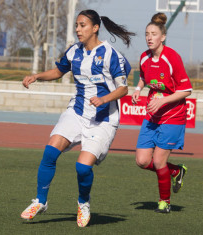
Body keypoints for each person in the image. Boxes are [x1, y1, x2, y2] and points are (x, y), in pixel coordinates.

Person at [20, 9, 135, 227]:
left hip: (103, 119)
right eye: (76, 25)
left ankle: (83, 203)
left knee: (82, 168)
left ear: (95, 28)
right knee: (49, 152)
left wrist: (104, 99)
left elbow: (123, 90)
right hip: (77, 111)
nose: (77, 29)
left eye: (82, 25)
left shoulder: (111, 55)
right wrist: (37, 76)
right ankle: (40, 201)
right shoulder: (74, 51)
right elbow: (58, 71)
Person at [132, 13, 192, 213]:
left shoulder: (172, 57)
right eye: (147, 34)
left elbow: (186, 90)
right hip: (152, 116)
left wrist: (163, 100)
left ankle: (164, 202)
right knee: (142, 161)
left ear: (163, 37)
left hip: (173, 115)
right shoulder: (144, 57)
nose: (149, 37)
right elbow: (143, 76)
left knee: (158, 161)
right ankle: (176, 170)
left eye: (154, 34)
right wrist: (138, 89)